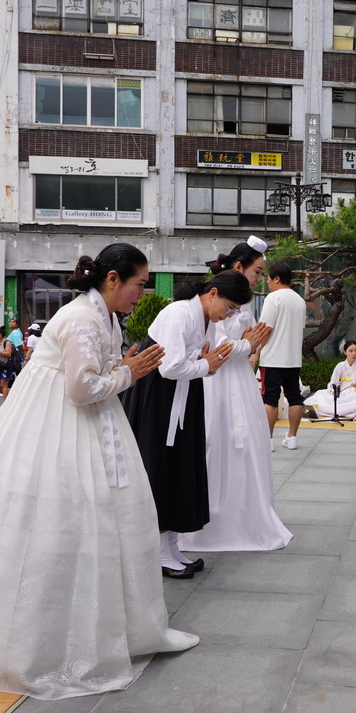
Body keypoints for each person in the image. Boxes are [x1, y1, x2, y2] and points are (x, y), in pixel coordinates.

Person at [0, 242, 199, 699]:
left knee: (107, 517)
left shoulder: (103, 315)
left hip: (87, 421)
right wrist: (130, 373)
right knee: (64, 519)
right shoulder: (81, 318)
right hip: (56, 423)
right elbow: (80, 388)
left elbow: (97, 371)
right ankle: (46, 646)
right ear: (113, 280)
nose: (141, 293)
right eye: (138, 284)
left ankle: (125, 629)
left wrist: (124, 365)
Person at [122, 270, 252, 579]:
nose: (230, 314)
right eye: (230, 306)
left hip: (184, 394)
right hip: (159, 397)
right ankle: (157, 552)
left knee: (179, 467)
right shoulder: (179, 314)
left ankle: (170, 546)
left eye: (236, 310)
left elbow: (192, 361)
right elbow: (169, 367)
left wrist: (206, 363)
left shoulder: (204, 318)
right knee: (162, 467)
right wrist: (207, 364)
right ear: (213, 294)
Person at [180, 238, 290, 554]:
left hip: (239, 379)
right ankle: (213, 518)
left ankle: (245, 514)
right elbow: (211, 349)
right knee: (216, 442)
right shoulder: (213, 301)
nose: (260, 279)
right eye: (257, 272)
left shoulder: (241, 302)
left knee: (247, 445)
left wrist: (252, 344)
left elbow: (249, 342)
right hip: (214, 381)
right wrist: (246, 344)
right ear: (239, 267)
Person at [259, 261, 307, 451]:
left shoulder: (273, 298)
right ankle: (292, 437)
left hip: (272, 358)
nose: (268, 282)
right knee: (295, 397)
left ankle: (268, 440)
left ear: (276, 278)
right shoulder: (300, 301)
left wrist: (255, 353)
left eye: (269, 278)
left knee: (270, 399)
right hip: (293, 359)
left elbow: (265, 329)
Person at [303, 341, 356, 419]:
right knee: (320, 395)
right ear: (345, 352)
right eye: (351, 351)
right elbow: (333, 382)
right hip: (342, 392)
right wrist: (333, 390)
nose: (354, 353)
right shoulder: (340, 366)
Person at [0, 327, 16, 399]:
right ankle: (10, 397)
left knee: (4, 384)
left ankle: (5, 404)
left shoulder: (6, 343)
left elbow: (8, 354)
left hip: (6, 365)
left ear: (0, 335)